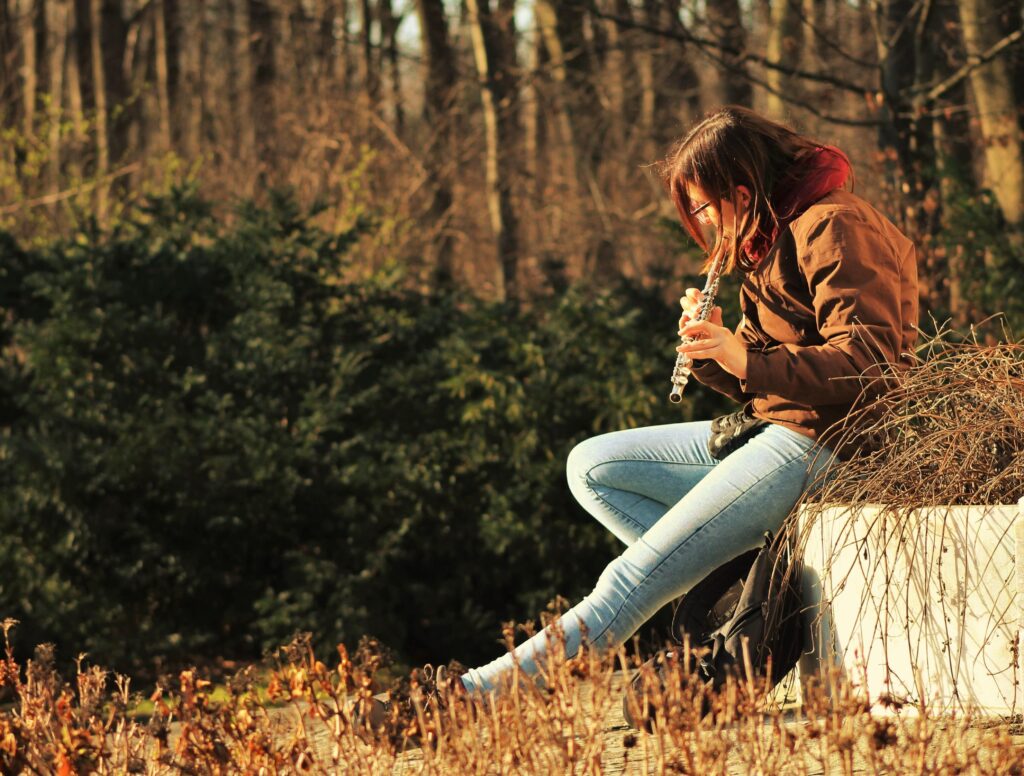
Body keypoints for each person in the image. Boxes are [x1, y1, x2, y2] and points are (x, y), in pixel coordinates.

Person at [358, 106, 918, 724]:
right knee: (593, 466)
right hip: (777, 427)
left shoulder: (833, 226)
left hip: (828, 443)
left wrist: (743, 358)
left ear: (739, 191)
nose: (703, 226)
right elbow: (763, 378)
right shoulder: (767, 235)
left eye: (703, 209)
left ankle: (471, 700)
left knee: (633, 577)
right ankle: (730, 575)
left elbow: (868, 366)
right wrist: (713, 352)